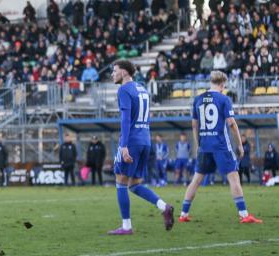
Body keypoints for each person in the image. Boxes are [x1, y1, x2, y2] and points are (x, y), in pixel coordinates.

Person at [179, 71, 262, 224]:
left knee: (196, 180)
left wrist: (198, 144)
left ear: (211, 82)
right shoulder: (224, 99)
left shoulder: (197, 99)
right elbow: (231, 123)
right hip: (221, 146)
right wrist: (240, 145)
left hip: (204, 147)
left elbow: (194, 125)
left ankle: (183, 214)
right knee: (233, 178)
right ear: (223, 84)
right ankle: (244, 215)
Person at [109, 60, 174, 235]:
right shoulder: (142, 89)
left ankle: (126, 226)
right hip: (146, 139)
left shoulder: (124, 89)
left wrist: (123, 146)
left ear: (123, 72)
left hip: (132, 141)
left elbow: (125, 119)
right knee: (135, 184)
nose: (112, 74)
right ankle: (164, 206)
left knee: (121, 182)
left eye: (114, 71)